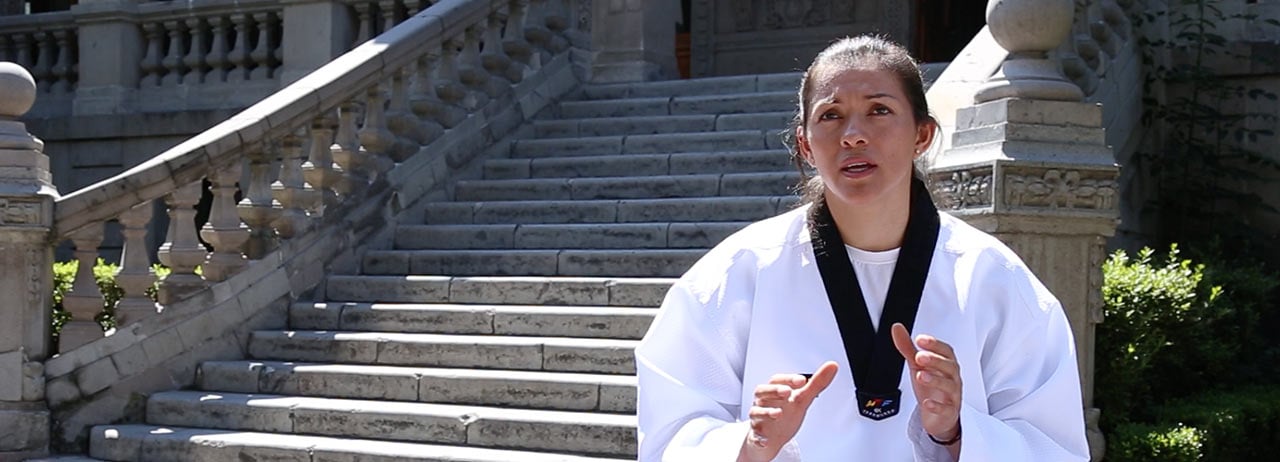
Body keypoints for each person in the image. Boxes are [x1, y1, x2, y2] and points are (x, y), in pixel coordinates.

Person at [634, 35, 1090, 461]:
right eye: (830, 115)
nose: (853, 135)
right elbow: (671, 432)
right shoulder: (736, 274)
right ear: (805, 144)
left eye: (879, 110)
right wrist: (751, 445)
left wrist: (955, 431)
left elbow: (1054, 444)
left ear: (922, 135)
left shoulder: (992, 278)